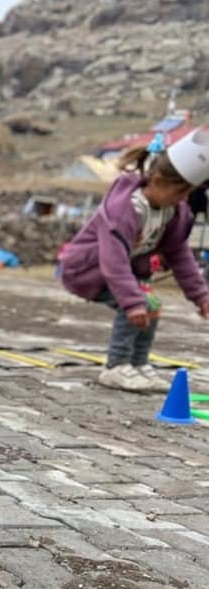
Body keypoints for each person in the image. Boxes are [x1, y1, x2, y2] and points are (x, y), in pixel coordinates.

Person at [59, 127, 209, 393]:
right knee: (139, 303)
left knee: (151, 302)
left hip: (119, 272)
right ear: (158, 181)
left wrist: (201, 296)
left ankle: (138, 365)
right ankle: (116, 366)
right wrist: (131, 303)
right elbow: (113, 261)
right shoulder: (124, 209)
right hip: (85, 270)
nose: (184, 199)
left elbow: (179, 254)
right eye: (180, 192)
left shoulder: (172, 211)